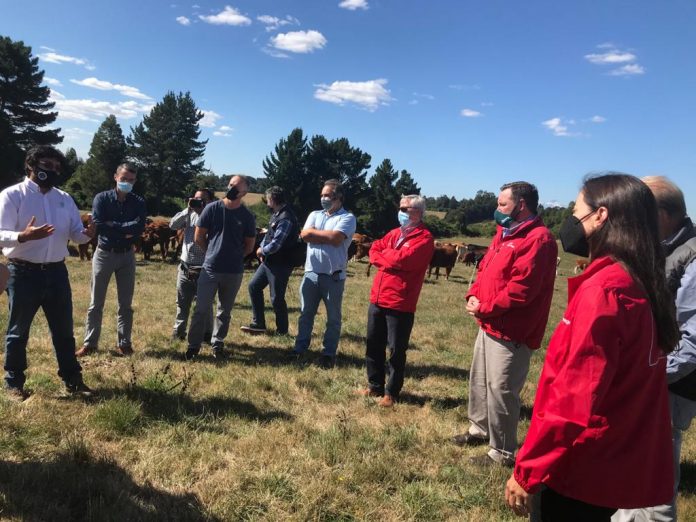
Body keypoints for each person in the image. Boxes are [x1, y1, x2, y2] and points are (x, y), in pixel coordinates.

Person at [505, 173, 678, 521]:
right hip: (609, 462)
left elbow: (572, 399)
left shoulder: (605, 291)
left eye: (576, 212)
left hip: (578, 466)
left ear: (601, 216)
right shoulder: (638, 281)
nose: (570, 221)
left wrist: (528, 470)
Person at [453, 181, 557, 467]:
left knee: (501, 389)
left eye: (502, 204)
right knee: (479, 381)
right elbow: (485, 268)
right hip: (488, 322)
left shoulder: (539, 240)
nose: (496, 209)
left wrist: (484, 307)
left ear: (521, 205)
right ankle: (479, 428)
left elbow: (522, 290)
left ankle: (501, 452)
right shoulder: (504, 232)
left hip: (512, 329)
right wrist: (473, 294)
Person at [612, 176, 696, 522]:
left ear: (661, 213)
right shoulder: (663, 250)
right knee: (633, 472)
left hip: (669, 386)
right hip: (651, 378)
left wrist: (649, 376)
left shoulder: (691, 257)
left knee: (653, 487)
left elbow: (693, 341)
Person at [0, 145, 96, 400]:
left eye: (56, 167)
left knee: (64, 331)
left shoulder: (64, 198)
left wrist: (87, 234)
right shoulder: (13, 196)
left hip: (56, 273)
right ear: (31, 166)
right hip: (23, 273)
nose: (52, 171)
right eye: (47, 165)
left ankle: (73, 380)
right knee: (18, 332)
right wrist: (22, 236)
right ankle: (14, 384)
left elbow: (75, 233)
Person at [357, 195, 434, 407]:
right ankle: (375, 386)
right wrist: (386, 257)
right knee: (373, 344)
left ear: (417, 212)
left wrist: (386, 257)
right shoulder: (394, 233)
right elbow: (374, 250)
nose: (400, 212)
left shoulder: (424, 239)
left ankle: (391, 392)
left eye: (405, 209)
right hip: (378, 297)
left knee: (396, 350)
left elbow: (403, 261)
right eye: (400, 208)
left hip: (401, 301)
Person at [185, 175, 256, 361]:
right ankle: (193, 346)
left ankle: (218, 344)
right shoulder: (212, 209)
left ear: (244, 192)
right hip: (210, 269)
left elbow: (249, 245)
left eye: (237, 187)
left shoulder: (247, 216)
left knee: (224, 312)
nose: (232, 189)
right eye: (231, 185)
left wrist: (235, 257)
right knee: (201, 308)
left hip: (233, 271)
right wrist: (211, 253)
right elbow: (199, 236)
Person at [77, 163, 146, 357]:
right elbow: (99, 224)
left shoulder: (138, 201)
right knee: (95, 302)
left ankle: (124, 343)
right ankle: (90, 343)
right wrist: (126, 228)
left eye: (131, 180)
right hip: (104, 253)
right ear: (115, 177)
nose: (127, 183)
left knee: (125, 304)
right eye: (123, 179)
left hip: (127, 256)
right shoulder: (102, 198)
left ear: (135, 181)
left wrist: (114, 225)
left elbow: (139, 227)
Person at [289, 179, 356, 369]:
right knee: (305, 314)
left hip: (333, 276)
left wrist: (314, 234)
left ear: (339, 197)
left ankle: (328, 353)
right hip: (311, 273)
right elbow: (304, 235)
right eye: (322, 195)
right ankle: (300, 348)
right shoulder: (314, 214)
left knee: (333, 317)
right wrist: (318, 234)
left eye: (327, 195)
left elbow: (336, 239)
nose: (323, 198)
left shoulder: (347, 218)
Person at [240, 186, 299, 336]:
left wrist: (262, 250)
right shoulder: (276, 214)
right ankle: (258, 323)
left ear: (272, 199)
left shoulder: (286, 217)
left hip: (281, 263)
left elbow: (277, 244)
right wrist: (261, 248)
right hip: (269, 262)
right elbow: (268, 237)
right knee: (254, 286)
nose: (267, 203)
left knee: (276, 298)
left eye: (268, 200)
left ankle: (282, 331)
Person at [169, 188, 215, 342]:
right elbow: (172, 225)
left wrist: (203, 212)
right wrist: (187, 209)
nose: (198, 201)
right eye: (195, 198)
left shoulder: (214, 216)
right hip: (185, 265)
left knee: (204, 304)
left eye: (202, 199)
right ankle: (178, 332)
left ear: (210, 201)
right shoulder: (189, 214)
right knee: (182, 302)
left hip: (204, 267)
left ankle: (207, 334)